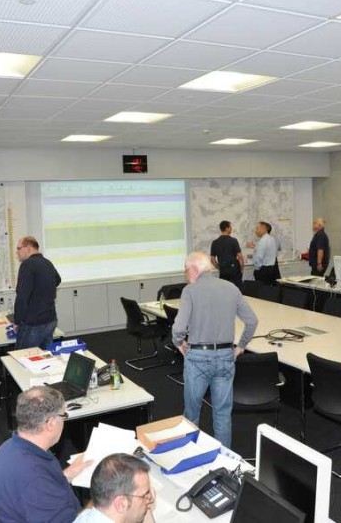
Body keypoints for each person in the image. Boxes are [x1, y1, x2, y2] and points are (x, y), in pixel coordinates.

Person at [173, 252, 258, 448]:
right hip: (226, 357)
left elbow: (179, 328)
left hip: (197, 358)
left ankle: (191, 455)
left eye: (186, 271)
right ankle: (224, 461)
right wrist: (241, 346)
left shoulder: (190, 291)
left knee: (192, 414)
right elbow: (252, 321)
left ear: (194, 269)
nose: (186, 275)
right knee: (222, 414)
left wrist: (179, 343)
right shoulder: (231, 288)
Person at [0, 386, 92, 523]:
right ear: (50, 423)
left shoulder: (9, 447)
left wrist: (67, 475)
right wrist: (100, 504)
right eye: (63, 416)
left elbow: (41, 487)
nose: (64, 421)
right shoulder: (34, 477)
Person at [74, 454, 156, 523]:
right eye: (144, 496)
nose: (150, 499)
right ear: (121, 504)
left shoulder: (87, 515)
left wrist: (144, 503)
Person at [14, 236, 62, 349]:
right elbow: (58, 280)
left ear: (28, 248)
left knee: (22, 356)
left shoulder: (27, 265)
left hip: (33, 322)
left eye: (19, 248)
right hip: (50, 319)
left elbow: (22, 297)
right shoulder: (47, 263)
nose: (17, 252)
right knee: (45, 355)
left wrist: (17, 321)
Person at [210, 220, 244, 290]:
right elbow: (240, 257)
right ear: (227, 228)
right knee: (236, 290)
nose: (231, 228)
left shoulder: (215, 242)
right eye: (230, 227)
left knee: (225, 290)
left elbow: (212, 260)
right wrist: (241, 269)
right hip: (234, 270)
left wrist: (219, 268)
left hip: (223, 271)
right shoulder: (233, 241)